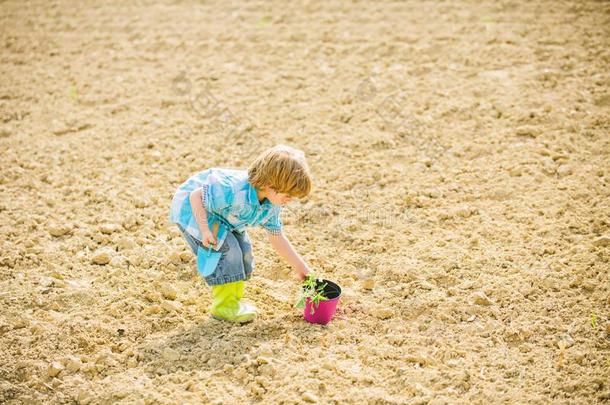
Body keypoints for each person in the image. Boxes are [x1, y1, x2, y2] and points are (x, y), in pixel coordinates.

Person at [169, 144, 313, 322]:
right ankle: (223, 306)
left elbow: (276, 237)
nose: (289, 200)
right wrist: (205, 230)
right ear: (270, 184)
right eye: (288, 195)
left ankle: (233, 302)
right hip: (194, 211)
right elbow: (195, 196)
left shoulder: (272, 205)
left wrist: (302, 269)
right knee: (229, 252)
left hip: (222, 216)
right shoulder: (233, 189)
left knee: (244, 252)